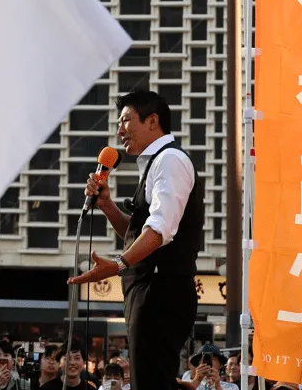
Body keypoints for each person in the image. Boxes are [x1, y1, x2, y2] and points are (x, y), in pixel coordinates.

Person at [69, 89, 203, 390]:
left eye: (126, 121)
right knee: (151, 379)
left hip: (160, 290)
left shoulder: (169, 161)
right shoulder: (157, 163)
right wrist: (106, 204)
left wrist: (118, 265)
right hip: (152, 290)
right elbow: (140, 232)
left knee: (150, 382)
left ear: (152, 121)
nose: (119, 131)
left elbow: (159, 232)